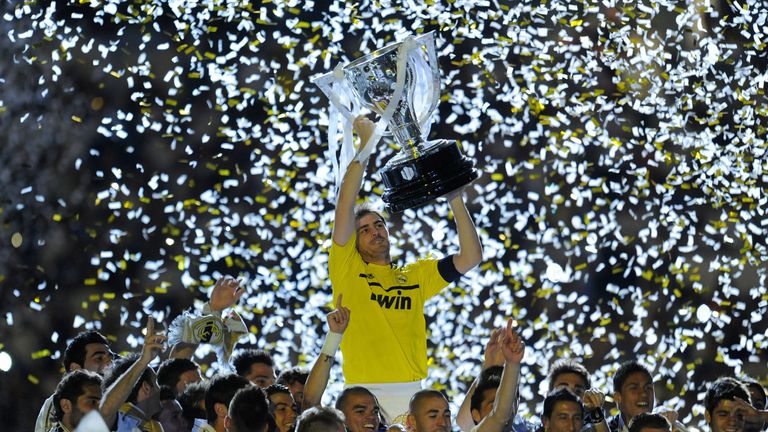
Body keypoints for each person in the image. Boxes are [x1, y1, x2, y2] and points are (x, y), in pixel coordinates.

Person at [329, 115, 482, 419]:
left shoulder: (415, 275)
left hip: (413, 391)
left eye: (379, 224)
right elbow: (344, 204)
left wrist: (453, 198)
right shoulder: (347, 269)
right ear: (354, 242)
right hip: (363, 392)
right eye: (365, 230)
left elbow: (470, 257)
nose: (375, 232)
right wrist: (366, 146)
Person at [36, 330, 114, 432]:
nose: (109, 364)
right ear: (75, 369)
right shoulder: (55, 404)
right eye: (99, 358)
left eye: (110, 358)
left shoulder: (124, 397)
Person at [608, 361, 680, 432]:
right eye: (634, 388)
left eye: (648, 388)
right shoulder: (603, 428)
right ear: (618, 397)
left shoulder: (671, 424)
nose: (644, 394)